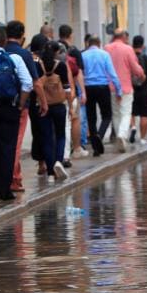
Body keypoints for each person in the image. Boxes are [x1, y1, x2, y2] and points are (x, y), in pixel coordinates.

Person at [0, 25, 33, 200]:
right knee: (7, 147)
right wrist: (20, 103)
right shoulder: (15, 59)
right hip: (10, 108)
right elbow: (28, 83)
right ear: (4, 41)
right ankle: (5, 189)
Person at [5, 20, 42, 192]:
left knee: (2, 142)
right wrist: (43, 101)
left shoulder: (0, 51)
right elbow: (34, 82)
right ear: (22, 35)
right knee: (16, 143)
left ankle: (14, 177)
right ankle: (12, 179)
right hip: (19, 105)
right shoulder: (24, 54)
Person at [104, 28, 145, 152]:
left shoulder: (106, 48)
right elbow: (135, 68)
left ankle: (119, 137)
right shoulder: (128, 49)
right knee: (126, 112)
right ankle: (122, 135)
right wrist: (141, 74)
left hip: (110, 86)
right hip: (125, 86)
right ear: (123, 37)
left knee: (116, 113)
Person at [81, 35, 123, 155]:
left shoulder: (83, 55)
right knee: (107, 115)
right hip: (103, 87)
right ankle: (100, 135)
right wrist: (118, 90)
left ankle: (95, 147)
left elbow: (81, 73)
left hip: (88, 87)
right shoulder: (104, 55)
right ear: (99, 43)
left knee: (91, 118)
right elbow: (112, 74)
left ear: (88, 43)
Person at [36, 40, 71, 179]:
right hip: (59, 105)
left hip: (43, 106)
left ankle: (50, 169)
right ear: (57, 52)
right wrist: (70, 105)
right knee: (61, 135)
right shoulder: (61, 66)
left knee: (47, 138)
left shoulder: (38, 66)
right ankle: (58, 162)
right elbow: (67, 87)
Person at [58, 24, 87, 159]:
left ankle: (61, 153)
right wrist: (82, 92)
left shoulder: (51, 49)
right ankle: (76, 148)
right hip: (70, 92)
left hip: (54, 95)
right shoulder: (74, 52)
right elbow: (79, 74)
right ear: (70, 35)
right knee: (74, 120)